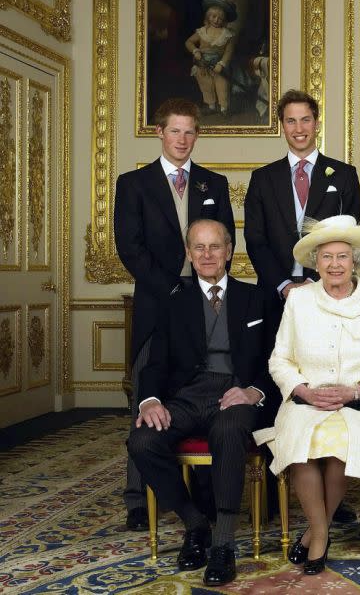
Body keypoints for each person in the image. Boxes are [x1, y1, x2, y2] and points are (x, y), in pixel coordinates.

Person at [127, 219, 277, 587]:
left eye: (215, 247)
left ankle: (223, 542)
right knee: (142, 441)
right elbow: (155, 363)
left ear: (229, 251)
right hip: (186, 396)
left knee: (229, 432)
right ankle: (195, 523)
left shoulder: (257, 298)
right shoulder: (173, 300)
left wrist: (254, 392)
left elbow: (277, 359)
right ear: (189, 255)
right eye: (199, 248)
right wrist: (149, 401)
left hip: (236, 393)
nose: (207, 255)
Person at [254, 215, 360, 574]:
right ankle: (320, 532)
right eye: (326, 257)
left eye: (342, 257)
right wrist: (302, 390)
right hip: (308, 398)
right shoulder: (299, 301)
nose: (334, 264)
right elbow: (281, 359)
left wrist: (357, 390)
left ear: (354, 260)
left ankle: (313, 537)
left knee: (339, 442)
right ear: (315, 262)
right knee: (303, 442)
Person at [244, 89, 360, 524]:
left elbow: (350, 241)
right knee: (282, 389)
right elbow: (255, 240)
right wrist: (283, 285)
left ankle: (334, 494)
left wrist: (315, 288)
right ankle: (280, 490)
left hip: (329, 302)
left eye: (305, 120)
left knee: (328, 388)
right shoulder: (263, 178)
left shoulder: (343, 176)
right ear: (282, 127)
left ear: (317, 123)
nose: (298, 128)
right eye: (290, 121)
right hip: (278, 301)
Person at [114, 97, 234, 532]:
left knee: (200, 390)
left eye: (189, 131)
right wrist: (171, 291)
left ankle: (203, 491)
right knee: (148, 397)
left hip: (204, 299)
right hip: (157, 303)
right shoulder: (134, 183)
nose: (182, 139)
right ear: (159, 134)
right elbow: (130, 247)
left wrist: (204, 290)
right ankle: (137, 498)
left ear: (196, 135)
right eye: (174, 131)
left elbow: (224, 241)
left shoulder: (212, 183)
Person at [185, 0, 237, 117]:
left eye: (220, 18)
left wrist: (221, 64)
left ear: (224, 20)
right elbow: (188, 42)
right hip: (202, 64)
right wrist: (195, 51)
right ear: (208, 16)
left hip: (218, 65)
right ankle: (211, 106)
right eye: (213, 16)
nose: (216, 20)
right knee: (206, 85)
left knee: (222, 85)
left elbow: (229, 52)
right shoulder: (202, 31)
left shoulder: (227, 34)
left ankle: (224, 108)